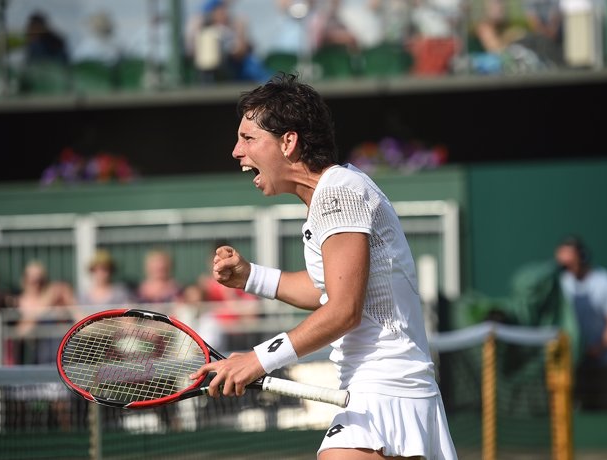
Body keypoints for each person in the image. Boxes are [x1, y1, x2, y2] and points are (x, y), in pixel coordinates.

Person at [189, 73, 457, 459]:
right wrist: (252, 277)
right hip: (380, 389)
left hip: (386, 388)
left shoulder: (337, 194)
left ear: (288, 142)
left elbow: (343, 310)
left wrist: (257, 360)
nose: (236, 151)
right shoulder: (336, 191)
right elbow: (328, 292)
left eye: (248, 139)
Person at [554, 235, 607, 411]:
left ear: (583, 257)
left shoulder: (604, 281)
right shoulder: (559, 282)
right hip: (572, 364)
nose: (566, 267)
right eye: (562, 263)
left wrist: (600, 347)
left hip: (602, 362)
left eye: (570, 261)